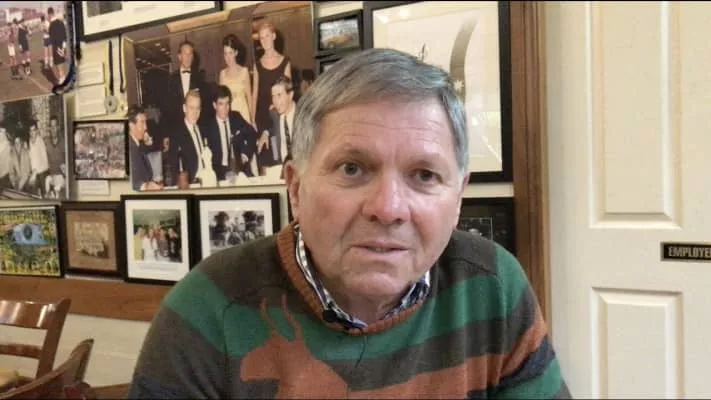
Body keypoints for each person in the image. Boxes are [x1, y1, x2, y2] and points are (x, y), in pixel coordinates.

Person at [128, 48, 569, 399]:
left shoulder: (494, 287)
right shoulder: (209, 309)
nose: (389, 208)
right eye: (352, 169)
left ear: (458, 198)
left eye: (424, 175)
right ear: (295, 188)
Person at [251, 20, 291, 173]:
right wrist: (253, 120)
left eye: (267, 36)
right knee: (265, 163)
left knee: (281, 158)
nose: (264, 40)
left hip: (278, 116)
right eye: (261, 38)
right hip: (262, 118)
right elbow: (254, 94)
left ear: (274, 36)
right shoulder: (257, 64)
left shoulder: (285, 62)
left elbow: (287, 91)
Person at [201, 85, 257, 181]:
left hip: (240, 169)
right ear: (214, 105)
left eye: (227, 103)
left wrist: (245, 155)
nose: (225, 108)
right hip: (219, 174)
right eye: (221, 104)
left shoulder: (236, 117)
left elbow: (252, 134)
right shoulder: (208, 127)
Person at [218, 34, 253, 126]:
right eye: (225, 53)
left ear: (236, 53)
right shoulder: (222, 74)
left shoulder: (244, 71)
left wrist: (253, 120)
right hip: (229, 115)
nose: (228, 57)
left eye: (230, 53)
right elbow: (220, 99)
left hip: (244, 113)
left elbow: (249, 98)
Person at [127, 105, 163, 191]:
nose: (146, 127)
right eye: (142, 122)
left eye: (145, 122)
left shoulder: (137, 144)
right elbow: (131, 182)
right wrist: (145, 186)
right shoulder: (130, 149)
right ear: (132, 125)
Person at [47, 7, 67, 84]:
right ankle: (63, 80)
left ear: (49, 14)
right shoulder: (61, 22)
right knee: (62, 65)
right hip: (63, 47)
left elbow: (52, 40)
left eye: (48, 15)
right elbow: (64, 36)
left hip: (56, 48)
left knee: (59, 67)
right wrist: (63, 48)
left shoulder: (51, 26)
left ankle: (62, 82)